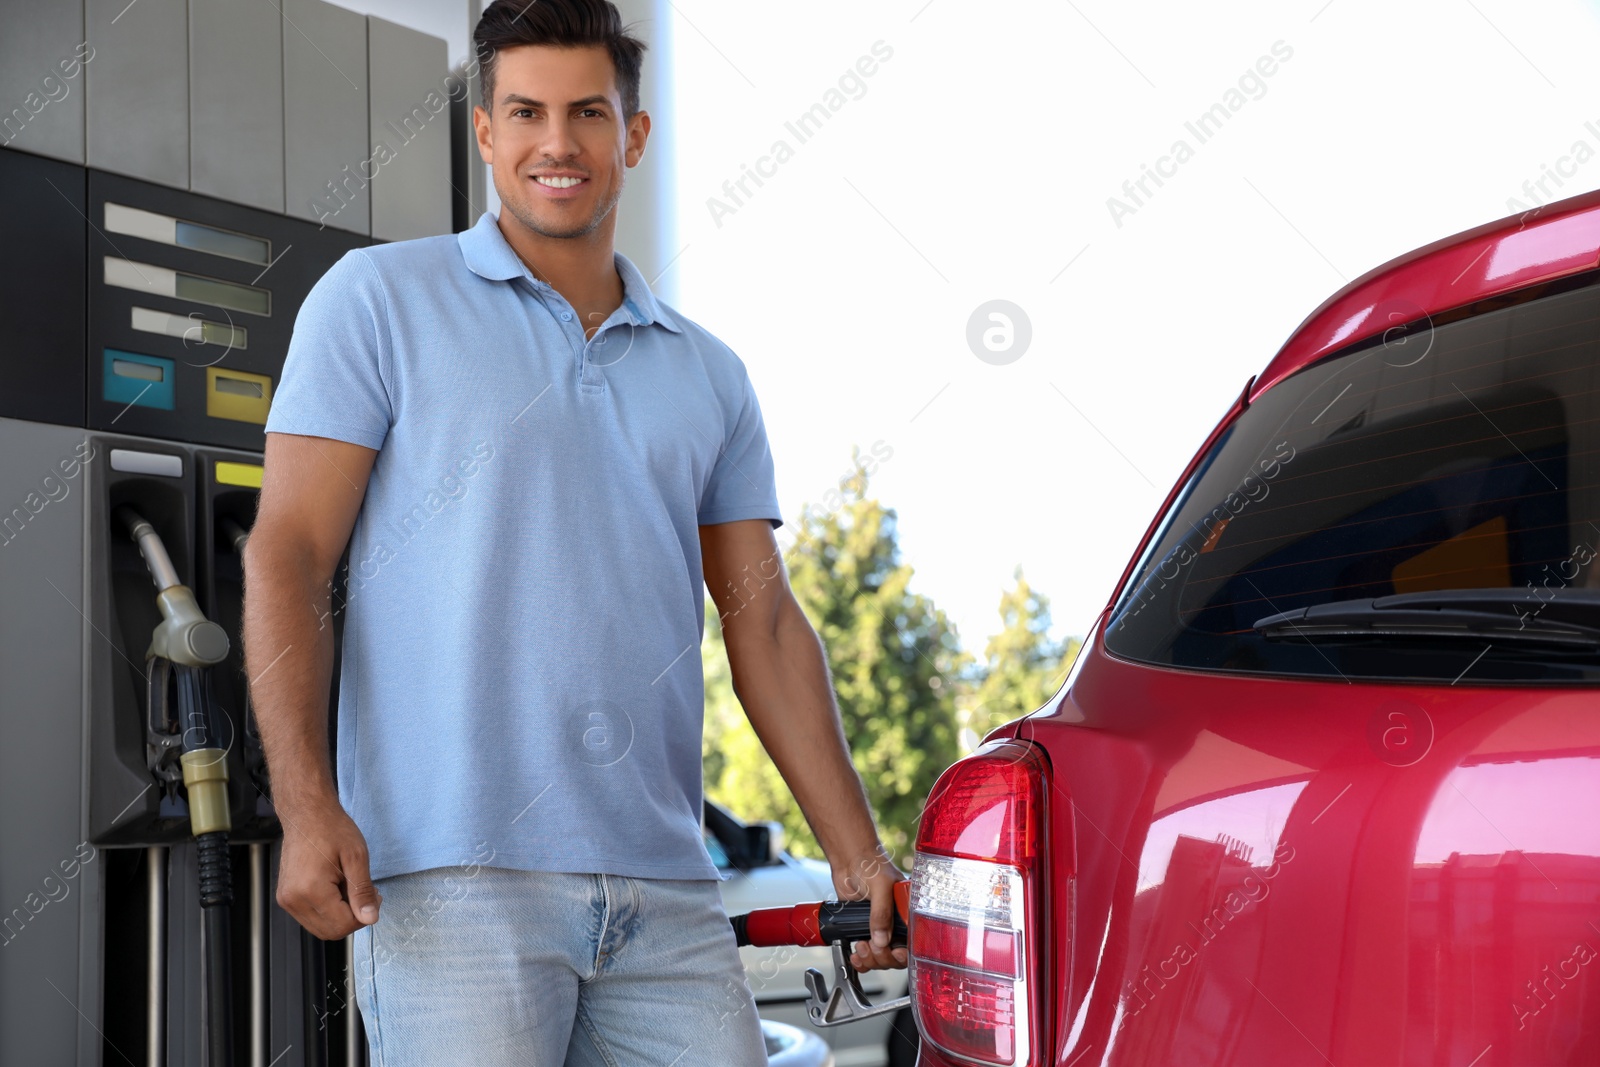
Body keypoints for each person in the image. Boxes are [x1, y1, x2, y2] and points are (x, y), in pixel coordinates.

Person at [240, 1, 907, 1063]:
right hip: (451, 883)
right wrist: (305, 801)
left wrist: (856, 852)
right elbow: (290, 553)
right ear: (487, 133)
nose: (558, 143)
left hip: (665, 888)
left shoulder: (709, 373)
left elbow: (765, 623)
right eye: (528, 112)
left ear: (632, 135)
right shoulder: (374, 304)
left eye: (588, 113)